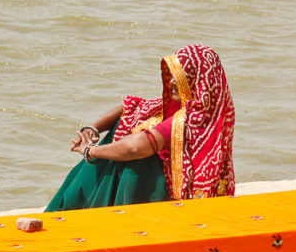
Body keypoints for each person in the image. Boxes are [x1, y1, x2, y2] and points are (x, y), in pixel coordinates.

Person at [46, 44, 235, 211]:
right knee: (129, 123)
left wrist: (90, 151)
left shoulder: (190, 120)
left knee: (132, 158)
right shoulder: (188, 106)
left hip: (166, 194)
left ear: (197, 82)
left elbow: (135, 147)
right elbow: (133, 107)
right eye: (172, 75)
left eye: (181, 78)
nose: (171, 82)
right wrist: (93, 129)